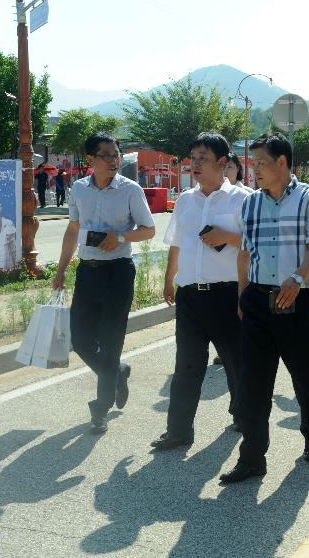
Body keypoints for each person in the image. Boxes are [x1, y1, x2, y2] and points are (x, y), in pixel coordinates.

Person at [219, 132, 309, 484]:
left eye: (262, 163)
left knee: (305, 376)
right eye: (253, 164)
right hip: (257, 301)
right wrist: (242, 295)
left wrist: (297, 278)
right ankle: (252, 457)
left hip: (295, 300)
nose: (255, 171)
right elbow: (245, 252)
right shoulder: (250, 203)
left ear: (283, 163)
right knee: (253, 382)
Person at [52, 132, 156, 433]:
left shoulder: (131, 190)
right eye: (106, 155)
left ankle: (100, 408)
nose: (113, 160)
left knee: (111, 345)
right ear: (91, 160)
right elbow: (73, 231)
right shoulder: (79, 190)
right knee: (80, 340)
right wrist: (60, 271)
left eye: (116, 154)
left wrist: (120, 237)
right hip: (88, 272)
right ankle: (118, 373)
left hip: (118, 274)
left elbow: (148, 230)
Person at [151, 132, 248, 450]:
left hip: (227, 293)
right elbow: (176, 243)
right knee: (187, 365)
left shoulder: (243, 199)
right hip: (190, 295)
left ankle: (243, 415)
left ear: (223, 162)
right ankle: (178, 430)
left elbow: (254, 245)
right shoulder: (185, 200)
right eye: (192, 158)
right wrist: (170, 279)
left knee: (235, 361)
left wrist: (227, 237)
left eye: (202, 158)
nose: (195, 164)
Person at [212, 153, 253, 368]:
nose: (226, 171)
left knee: (239, 313)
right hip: (218, 271)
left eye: (230, 167)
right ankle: (227, 349)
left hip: (241, 269)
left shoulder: (247, 196)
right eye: (223, 166)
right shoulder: (210, 196)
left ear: (238, 169)